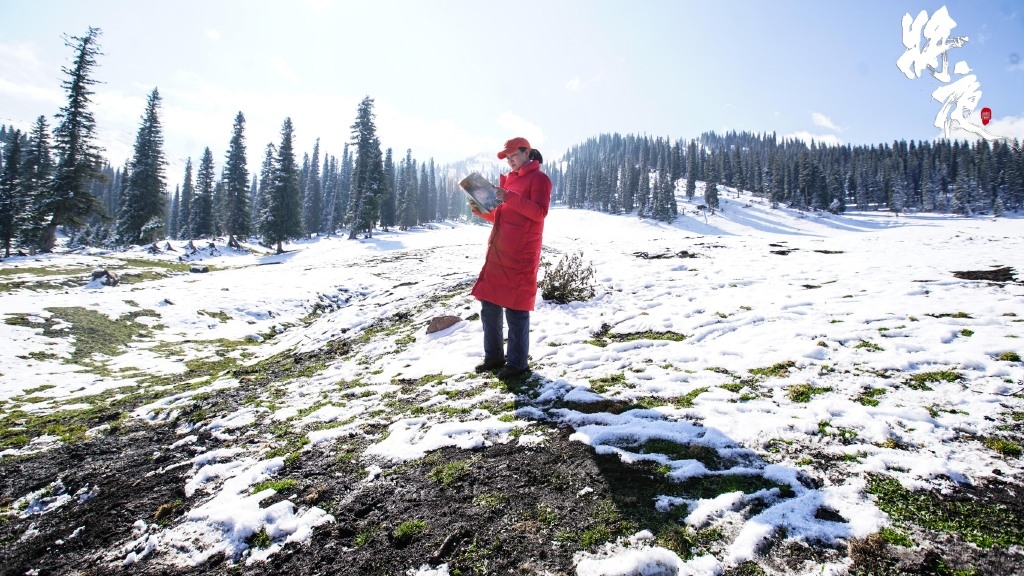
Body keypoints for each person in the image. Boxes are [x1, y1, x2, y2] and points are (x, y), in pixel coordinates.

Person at [470, 137, 552, 380]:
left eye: (513, 155)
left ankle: (517, 365)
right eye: (506, 157)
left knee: (516, 310)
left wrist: (507, 197)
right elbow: (502, 218)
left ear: (526, 152)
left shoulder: (539, 179)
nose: (510, 160)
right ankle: (494, 358)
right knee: (489, 305)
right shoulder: (508, 182)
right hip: (499, 251)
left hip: (520, 255)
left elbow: (539, 213)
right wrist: (480, 210)